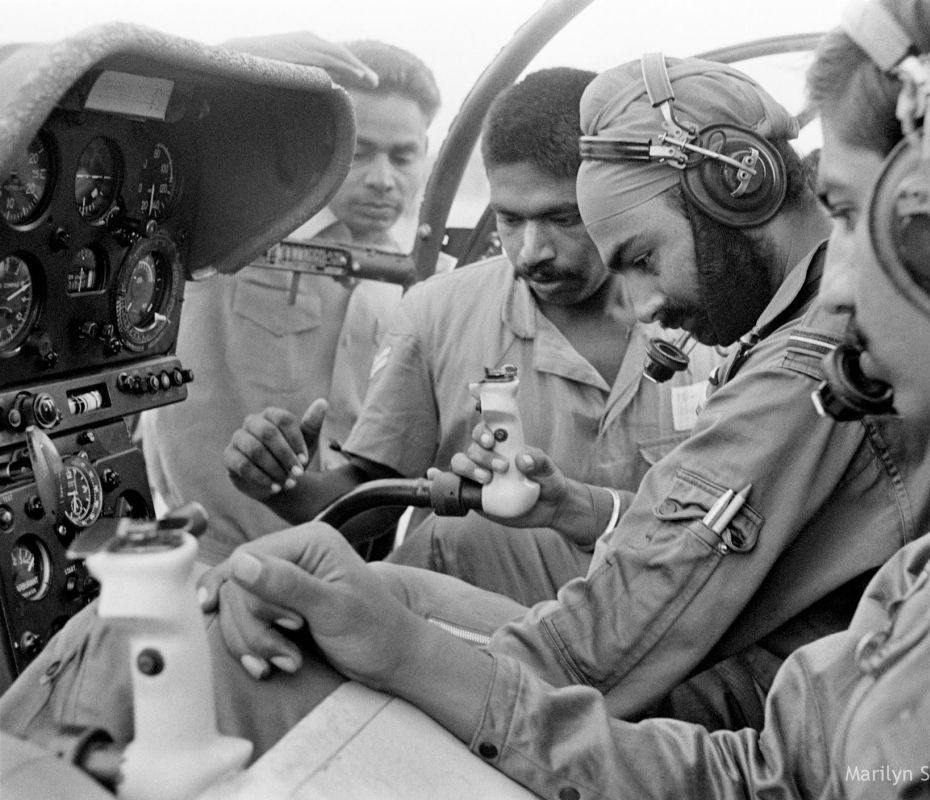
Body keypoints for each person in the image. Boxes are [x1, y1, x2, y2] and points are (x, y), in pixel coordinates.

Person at [180, 0, 930, 796]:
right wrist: (391, 607)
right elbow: (768, 770)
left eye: (849, 212)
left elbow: (590, 659)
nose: (643, 307)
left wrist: (396, 632)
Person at [0, 51, 930, 756]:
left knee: (159, 638)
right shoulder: (770, 339)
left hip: (669, 711)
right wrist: (374, 579)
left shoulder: (806, 357)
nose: (646, 305)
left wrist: (379, 630)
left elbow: (590, 656)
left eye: (633, 255)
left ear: (738, 185)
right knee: (353, 596)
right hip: (698, 684)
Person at [224, 67, 721, 603]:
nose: (533, 250)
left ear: (614, 198)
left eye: (562, 218)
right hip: (487, 642)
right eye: (509, 220)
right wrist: (282, 483)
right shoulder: (435, 314)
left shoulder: (714, 319)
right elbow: (368, 503)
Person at [137, 36, 441, 564]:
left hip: (351, 561)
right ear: (324, 141)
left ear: (426, 157)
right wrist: (249, 59)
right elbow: (165, 128)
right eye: (361, 151)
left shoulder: (432, 275)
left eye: (402, 156)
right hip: (210, 553)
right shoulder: (225, 226)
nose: (382, 180)